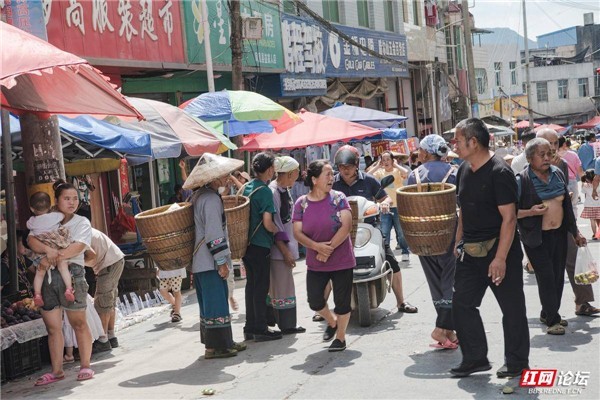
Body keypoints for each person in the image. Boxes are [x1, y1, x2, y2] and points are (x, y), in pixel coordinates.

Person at [450, 118, 529, 378]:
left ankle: (517, 362)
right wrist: (458, 241)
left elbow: (509, 218)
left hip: (500, 249)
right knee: (462, 304)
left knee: (512, 307)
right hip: (470, 252)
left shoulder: (499, 172)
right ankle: (475, 358)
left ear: (474, 142)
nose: (455, 145)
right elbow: (463, 210)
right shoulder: (463, 169)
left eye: (458, 140)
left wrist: (501, 258)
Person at [332, 145, 418, 314]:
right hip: (341, 231)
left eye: (348, 166)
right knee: (326, 263)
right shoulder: (333, 183)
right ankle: (322, 310)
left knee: (391, 261)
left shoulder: (369, 180)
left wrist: (385, 203)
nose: (345, 170)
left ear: (356, 164)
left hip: (369, 227)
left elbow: (384, 197)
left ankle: (401, 301)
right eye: (341, 167)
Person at [516, 138, 587, 335]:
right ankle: (552, 320)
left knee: (556, 276)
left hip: (559, 235)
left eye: (550, 154)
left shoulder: (557, 174)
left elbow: (566, 207)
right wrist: (530, 212)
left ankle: (548, 312)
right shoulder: (522, 180)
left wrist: (575, 232)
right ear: (530, 158)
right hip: (536, 238)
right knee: (546, 276)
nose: (547, 158)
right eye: (542, 155)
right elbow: (510, 213)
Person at [28, 179, 95, 384]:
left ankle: (85, 366)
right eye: (66, 198)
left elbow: (80, 246)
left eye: (75, 198)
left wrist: (54, 256)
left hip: (72, 273)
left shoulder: (81, 222)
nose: (72, 202)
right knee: (52, 328)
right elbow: (31, 240)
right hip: (48, 276)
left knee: (78, 323)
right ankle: (56, 371)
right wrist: (49, 252)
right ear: (56, 201)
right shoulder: (44, 220)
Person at [187, 153, 247, 358]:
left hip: (200, 261)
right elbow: (214, 234)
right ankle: (220, 347)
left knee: (210, 305)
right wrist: (221, 262)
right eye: (223, 176)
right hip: (209, 261)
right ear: (213, 179)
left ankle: (216, 345)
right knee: (216, 304)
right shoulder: (211, 200)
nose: (227, 179)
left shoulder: (199, 196)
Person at [537, 128, 599, 318]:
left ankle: (583, 302)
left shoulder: (561, 164)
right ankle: (549, 310)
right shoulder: (526, 165)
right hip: (539, 227)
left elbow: (564, 196)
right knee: (549, 271)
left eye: (556, 144)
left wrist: (575, 231)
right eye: (549, 144)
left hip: (563, 222)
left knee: (574, 259)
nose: (553, 148)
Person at [293, 160, 354, 352]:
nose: (332, 177)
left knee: (342, 302)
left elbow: (346, 226)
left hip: (342, 259)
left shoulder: (339, 198)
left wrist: (328, 249)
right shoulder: (301, 204)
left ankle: (341, 338)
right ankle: (331, 321)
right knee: (315, 301)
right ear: (314, 179)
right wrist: (316, 247)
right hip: (316, 262)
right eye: (327, 174)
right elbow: (297, 232)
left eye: (331, 174)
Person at [407, 135, 458, 349]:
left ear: (427, 153)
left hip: (423, 236)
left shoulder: (413, 176)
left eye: (420, 150)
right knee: (450, 280)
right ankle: (442, 328)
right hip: (450, 233)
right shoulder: (455, 172)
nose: (418, 153)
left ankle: (448, 332)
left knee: (435, 282)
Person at [242, 152, 282, 342]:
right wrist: (277, 231)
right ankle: (260, 328)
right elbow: (267, 222)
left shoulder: (245, 187)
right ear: (268, 170)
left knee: (251, 286)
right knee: (260, 287)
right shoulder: (265, 191)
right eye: (273, 168)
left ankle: (249, 327)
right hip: (260, 245)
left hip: (245, 245)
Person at [266, 156, 305, 334]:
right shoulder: (274, 192)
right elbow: (276, 225)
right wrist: (285, 251)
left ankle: (284, 323)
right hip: (279, 250)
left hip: (285, 247)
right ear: (290, 173)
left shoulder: (283, 190)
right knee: (283, 286)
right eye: (296, 171)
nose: (298, 174)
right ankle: (287, 325)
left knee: (282, 285)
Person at [26, 192, 75, 307]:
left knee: (40, 273)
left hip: (43, 253)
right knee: (63, 267)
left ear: (32, 208)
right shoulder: (56, 216)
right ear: (49, 206)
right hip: (57, 248)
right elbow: (63, 216)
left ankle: (37, 294)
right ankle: (69, 288)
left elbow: (28, 226)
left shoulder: (32, 221)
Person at [84, 228, 125, 349]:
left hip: (109, 262)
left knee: (103, 301)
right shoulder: (80, 227)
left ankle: (103, 340)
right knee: (109, 301)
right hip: (114, 260)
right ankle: (111, 336)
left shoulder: (76, 232)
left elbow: (91, 255)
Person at [368, 151, 411, 259]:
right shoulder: (380, 173)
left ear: (392, 160)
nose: (386, 162)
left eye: (388, 159)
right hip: (384, 207)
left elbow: (406, 172)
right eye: (384, 160)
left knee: (401, 232)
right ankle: (386, 255)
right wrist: (377, 166)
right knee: (385, 232)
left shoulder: (397, 171)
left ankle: (405, 252)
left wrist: (396, 165)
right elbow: (367, 176)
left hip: (398, 205)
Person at [0, 230, 35, 298]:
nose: (27, 245)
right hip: (12, 304)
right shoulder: (3, 265)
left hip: (27, 300)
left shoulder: (21, 258)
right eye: (24, 243)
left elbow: (36, 270)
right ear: (14, 243)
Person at [558, 136, 584, 210]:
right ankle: (574, 220)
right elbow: (580, 171)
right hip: (572, 182)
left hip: (559, 182)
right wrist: (584, 182)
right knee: (573, 205)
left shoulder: (553, 156)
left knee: (561, 206)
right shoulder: (573, 155)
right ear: (564, 144)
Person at [580, 169, 600, 240]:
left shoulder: (585, 185)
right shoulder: (598, 184)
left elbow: (583, 192)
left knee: (592, 221)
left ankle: (595, 234)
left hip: (589, 205)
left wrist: (583, 182)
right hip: (598, 205)